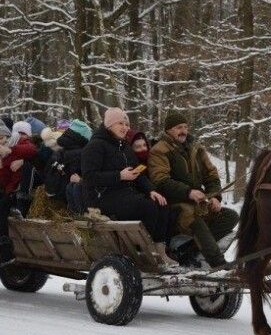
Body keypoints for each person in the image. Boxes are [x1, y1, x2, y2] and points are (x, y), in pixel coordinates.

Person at [81, 108, 177, 266]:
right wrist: (119, 176)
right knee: (148, 207)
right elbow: (89, 177)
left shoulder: (124, 146)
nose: (125, 127)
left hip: (124, 194)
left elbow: (138, 172)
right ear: (109, 125)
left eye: (126, 124)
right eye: (120, 123)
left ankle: (160, 252)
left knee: (162, 204)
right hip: (100, 197)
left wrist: (151, 190)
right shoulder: (95, 146)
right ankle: (141, 252)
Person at [148, 112, 239, 267]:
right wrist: (188, 192)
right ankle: (218, 264)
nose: (183, 131)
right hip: (173, 205)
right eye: (179, 127)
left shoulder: (196, 148)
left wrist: (216, 197)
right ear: (168, 130)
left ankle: (188, 251)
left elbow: (211, 175)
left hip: (198, 203)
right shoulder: (159, 150)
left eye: (185, 127)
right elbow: (161, 181)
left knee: (231, 216)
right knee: (193, 218)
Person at [0, 118, 38, 267]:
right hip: (12, 191)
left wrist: (11, 151)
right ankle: (5, 252)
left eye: (2, 138)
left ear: (9, 136)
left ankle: (22, 206)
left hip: (25, 189)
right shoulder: (3, 152)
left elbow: (31, 150)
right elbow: (6, 181)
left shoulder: (18, 144)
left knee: (28, 167)